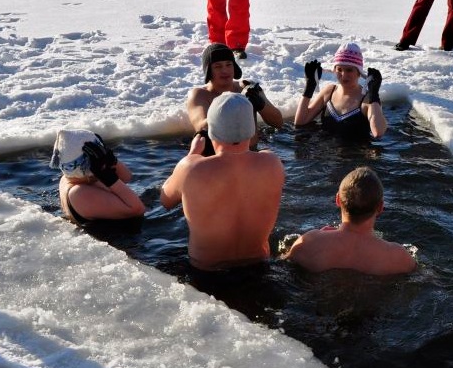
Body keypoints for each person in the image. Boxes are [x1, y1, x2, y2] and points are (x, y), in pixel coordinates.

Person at [161, 92, 285, 271]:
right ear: (251, 128)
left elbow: (165, 200)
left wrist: (192, 154)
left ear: (211, 129)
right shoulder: (272, 163)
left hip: (206, 273)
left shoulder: (191, 168)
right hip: (258, 268)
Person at [283, 166, 417, 275]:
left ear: (337, 200)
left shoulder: (309, 243)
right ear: (381, 207)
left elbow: (281, 265)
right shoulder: (398, 258)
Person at [187, 42, 283, 156]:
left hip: (251, 152)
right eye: (218, 66)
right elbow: (202, 127)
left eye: (229, 64)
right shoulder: (200, 94)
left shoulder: (247, 87)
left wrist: (260, 104)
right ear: (208, 70)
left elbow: (278, 123)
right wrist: (236, 102)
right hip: (217, 157)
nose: (225, 70)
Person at [293, 42, 387, 140]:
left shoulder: (367, 100)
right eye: (339, 69)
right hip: (324, 153)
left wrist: (374, 94)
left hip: (355, 154)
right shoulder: (329, 92)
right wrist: (309, 88)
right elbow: (300, 122)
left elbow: (378, 132)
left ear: (359, 72)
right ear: (334, 70)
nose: (343, 75)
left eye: (349, 70)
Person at [50, 129, 146, 224]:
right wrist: (106, 175)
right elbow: (137, 209)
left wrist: (112, 161)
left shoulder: (75, 178)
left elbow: (126, 177)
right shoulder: (78, 193)